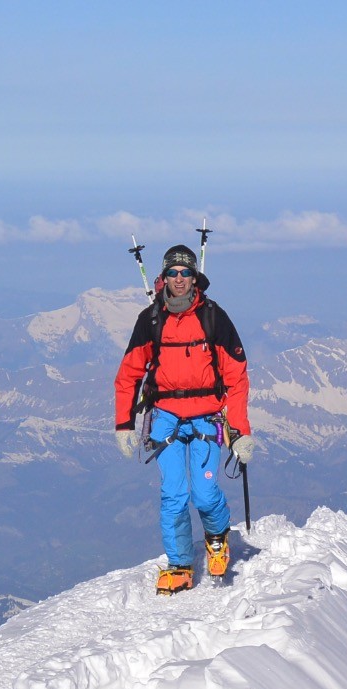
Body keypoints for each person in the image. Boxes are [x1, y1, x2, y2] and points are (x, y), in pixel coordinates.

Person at [114, 245, 255, 594]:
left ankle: (217, 535)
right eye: (173, 273)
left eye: (185, 273)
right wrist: (123, 424)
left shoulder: (213, 317)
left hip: (207, 418)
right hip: (166, 420)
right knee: (173, 495)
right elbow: (129, 373)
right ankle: (179, 565)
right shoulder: (151, 320)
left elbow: (236, 376)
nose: (179, 279)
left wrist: (240, 431)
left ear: (195, 277)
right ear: (164, 277)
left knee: (205, 495)